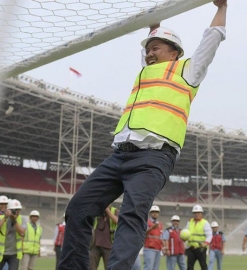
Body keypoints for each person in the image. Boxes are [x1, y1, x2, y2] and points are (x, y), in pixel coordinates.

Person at [57, 1, 228, 269]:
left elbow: (211, 40)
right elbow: (150, 49)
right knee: (78, 208)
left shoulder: (188, 71)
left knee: (132, 214)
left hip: (154, 157)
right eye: (147, 49)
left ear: (174, 53)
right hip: (119, 156)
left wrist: (221, 7)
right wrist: (154, 25)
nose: (149, 53)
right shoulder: (145, 73)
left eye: (155, 48)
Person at [0, 199, 25, 270]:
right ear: (8, 210)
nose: (16, 212)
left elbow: (22, 233)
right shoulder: (1, 218)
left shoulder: (22, 219)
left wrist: (14, 220)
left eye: (18, 210)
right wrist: (5, 217)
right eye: (13, 210)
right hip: (1, 252)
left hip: (14, 254)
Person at [89, 206, 118, 270]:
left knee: (110, 268)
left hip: (109, 245)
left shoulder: (114, 211)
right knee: (91, 267)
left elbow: (117, 221)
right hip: (95, 244)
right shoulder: (97, 210)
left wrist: (108, 211)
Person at [185, 205, 212, 270]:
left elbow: (209, 235)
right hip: (191, 248)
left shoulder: (205, 223)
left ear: (201, 213)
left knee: (203, 266)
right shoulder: (189, 222)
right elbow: (186, 232)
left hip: (201, 248)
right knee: (189, 267)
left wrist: (205, 243)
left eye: (198, 213)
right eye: (195, 213)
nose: (196, 214)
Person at [144, 205, 163, 270]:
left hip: (158, 249)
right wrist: (152, 228)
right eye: (153, 212)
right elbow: (143, 233)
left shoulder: (160, 224)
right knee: (148, 268)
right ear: (150, 213)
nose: (155, 213)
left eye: (157, 212)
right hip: (149, 248)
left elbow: (160, 237)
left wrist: (163, 247)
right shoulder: (147, 222)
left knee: (155, 268)